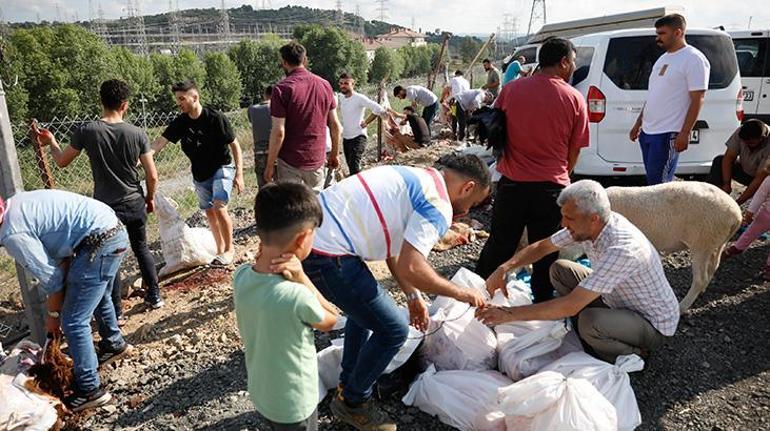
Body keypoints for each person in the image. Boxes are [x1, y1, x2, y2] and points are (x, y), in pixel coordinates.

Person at [302, 154, 491, 429]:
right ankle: (354, 402)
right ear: (468, 187)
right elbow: (413, 266)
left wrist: (413, 296)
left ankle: (348, 384)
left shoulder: (419, 177)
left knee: (362, 313)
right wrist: (462, 293)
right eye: (472, 203)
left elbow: (396, 252)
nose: (466, 211)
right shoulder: (438, 205)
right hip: (327, 254)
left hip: (314, 238)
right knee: (393, 330)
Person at [476, 180, 680, 362]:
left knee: (589, 322)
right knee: (560, 270)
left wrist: (508, 315)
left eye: (569, 219)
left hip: (651, 323)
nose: (564, 224)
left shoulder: (623, 249)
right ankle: (598, 329)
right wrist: (504, 268)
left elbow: (571, 306)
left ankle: (633, 353)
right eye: (564, 217)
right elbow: (542, 247)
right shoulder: (593, 225)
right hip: (618, 300)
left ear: (593, 218)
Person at [476, 37, 589, 303]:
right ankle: (542, 307)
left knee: (500, 245)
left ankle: (476, 296)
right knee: (545, 250)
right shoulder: (574, 98)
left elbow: (495, 128)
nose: (573, 67)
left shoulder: (512, 90)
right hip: (551, 189)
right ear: (563, 62)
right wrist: (563, 175)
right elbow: (575, 150)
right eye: (572, 61)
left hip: (511, 184)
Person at [39, 79, 164, 318]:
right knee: (141, 247)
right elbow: (153, 175)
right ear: (125, 105)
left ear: (101, 101)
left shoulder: (87, 131)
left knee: (112, 256)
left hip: (105, 209)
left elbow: (62, 161)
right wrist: (149, 198)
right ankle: (155, 295)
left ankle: (116, 311)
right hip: (134, 199)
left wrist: (52, 142)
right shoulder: (137, 133)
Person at [0, 190, 132, 411]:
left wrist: (53, 319)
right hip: (109, 228)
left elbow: (53, 281)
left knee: (73, 320)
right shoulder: (16, 204)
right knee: (94, 294)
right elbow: (60, 261)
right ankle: (113, 344)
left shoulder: (12, 234)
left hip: (99, 240)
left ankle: (90, 389)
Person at [234, 182, 338, 431]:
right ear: (303, 238)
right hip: (295, 403)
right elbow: (332, 318)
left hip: (263, 393)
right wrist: (303, 278)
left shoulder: (240, 276)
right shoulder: (295, 295)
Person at [151, 79, 245, 266]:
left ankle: (229, 250)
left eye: (182, 98)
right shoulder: (181, 122)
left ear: (195, 97)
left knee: (219, 206)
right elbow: (159, 143)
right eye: (178, 99)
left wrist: (239, 174)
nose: (179, 103)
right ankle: (219, 250)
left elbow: (235, 145)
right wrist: (142, 159)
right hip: (200, 173)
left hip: (222, 167)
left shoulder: (215, 118)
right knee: (209, 213)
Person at [629, 13, 709, 185]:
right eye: (657, 33)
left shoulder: (694, 58)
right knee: (652, 182)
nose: (658, 38)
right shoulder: (662, 59)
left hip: (668, 132)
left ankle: (663, 213)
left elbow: (698, 98)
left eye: (662, 33)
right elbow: (654, 95)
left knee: (660, 186)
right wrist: (638, 123)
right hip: (649, 131)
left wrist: (685, 132)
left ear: (678, 32)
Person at [264, 42, 342, 192]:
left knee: (293, 207)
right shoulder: (325, 85)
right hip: (316, 158)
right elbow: (335, 126)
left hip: (289, 160)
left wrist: (269, 165)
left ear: (284, 62)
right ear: (304, 60)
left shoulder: (281, 89)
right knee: (315, 204)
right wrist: (334, 154)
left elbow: (279, 132)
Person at [722, 165, 770, 279]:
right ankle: (733, 250)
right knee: (750, 233)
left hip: (765, 214)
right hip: (765, 214)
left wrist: (750, 212)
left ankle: (734, 250)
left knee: (750, 233)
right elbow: (759, 196)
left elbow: (759, 196)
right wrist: (750, 213)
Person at [710, 119, 770, 204]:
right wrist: (726, 183)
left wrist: (737, 203)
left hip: (763, 180)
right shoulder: (741, 131)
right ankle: (714, 199)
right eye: (745, 143)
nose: (747, 145)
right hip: (746, 171)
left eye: (751, 143)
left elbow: (760, 178)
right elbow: (729, 157)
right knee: (719, 160)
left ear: (762, 138)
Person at [337, 73, 387, 175]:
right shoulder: (341, 98)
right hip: (346, 138)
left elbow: (378, 108)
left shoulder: (359, 98)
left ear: (353, 84)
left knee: (354, 166)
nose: (343, 85)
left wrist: (367, 122)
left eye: (346, 83)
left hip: (359, 136)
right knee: (351, 166)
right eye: (341, 83)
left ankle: (359, 188)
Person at [248, 85, 274, 189]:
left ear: (264, 95)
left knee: (263, 187)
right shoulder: (278, 108)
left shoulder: (252, 109)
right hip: (276, 152)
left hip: (259, 153)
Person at [444, 70, 471, 140]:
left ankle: (456, 134)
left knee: (454, 117)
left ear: (456, 74)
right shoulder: (466, 81)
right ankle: (468, 134)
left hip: (455, 102)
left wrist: (446, 99)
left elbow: (447, 88)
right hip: (467, 101)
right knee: (466, 118)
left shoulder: (454, 79)